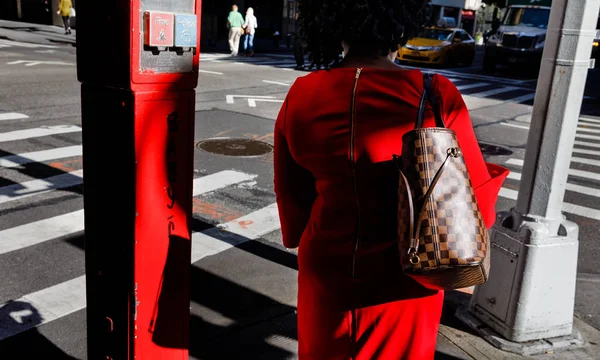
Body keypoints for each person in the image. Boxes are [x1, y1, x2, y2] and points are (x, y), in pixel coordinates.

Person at [273, 0, 510, 359]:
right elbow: (476, 205)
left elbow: (292, 195)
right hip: (410, 269)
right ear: (401, 22)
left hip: (328, 264)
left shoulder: (303, 94)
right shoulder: (434, 94)